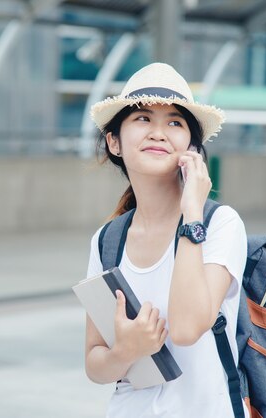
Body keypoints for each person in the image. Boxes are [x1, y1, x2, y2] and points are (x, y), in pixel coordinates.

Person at [84, 63, 248, 416]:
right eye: (142, 119)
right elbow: (95, 364)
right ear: (114, 141)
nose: (159, 133)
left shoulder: (220, 225)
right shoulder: (107, 240)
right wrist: (125, 351)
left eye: (175, 122)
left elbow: (188, 328)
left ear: (190, 146)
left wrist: (192, 213)